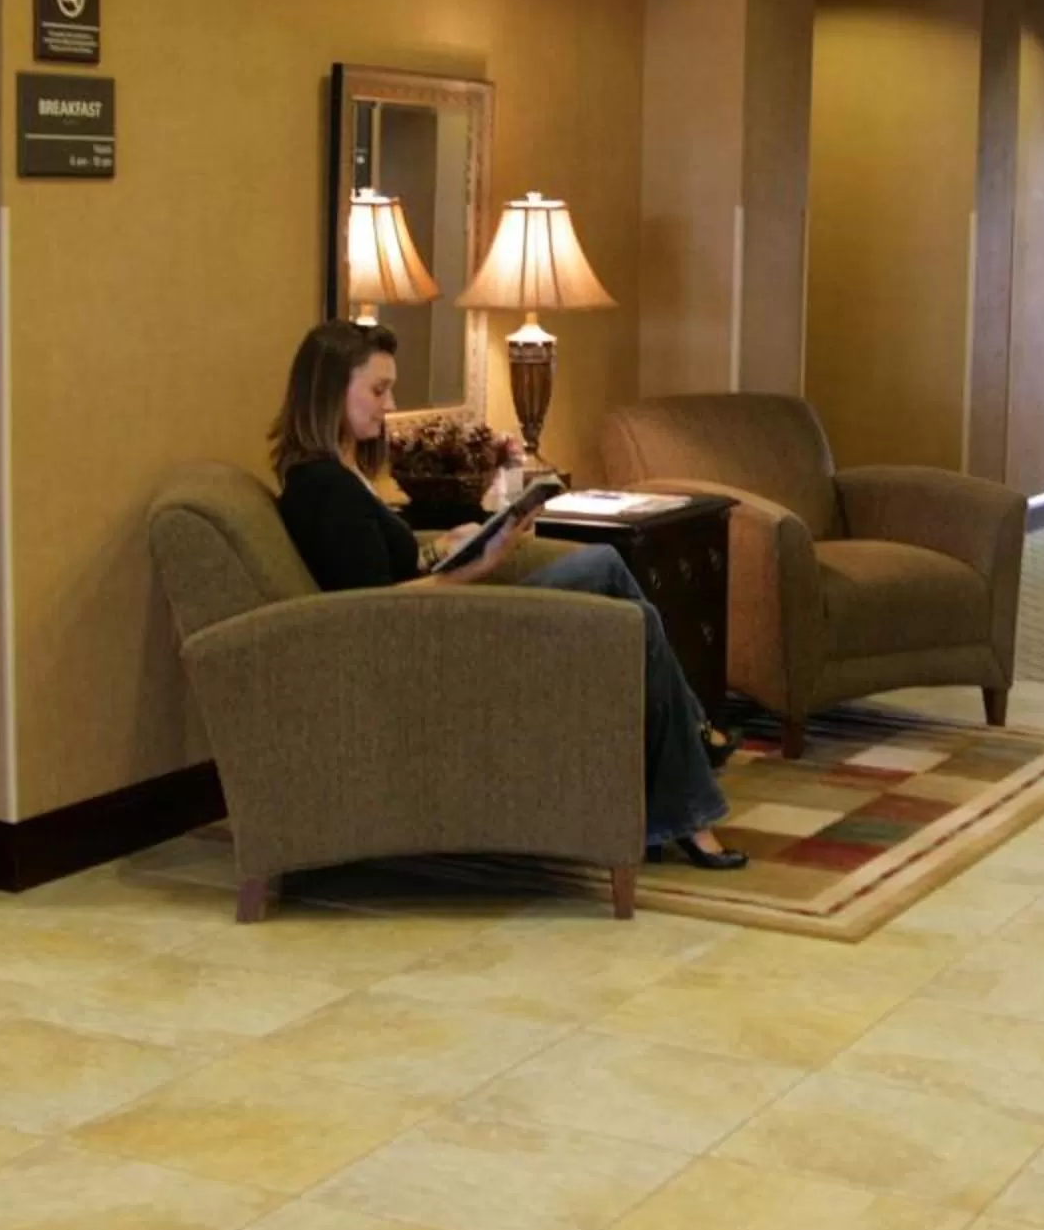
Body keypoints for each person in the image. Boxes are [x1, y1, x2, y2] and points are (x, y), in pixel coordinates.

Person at [269, 319, 742, 868]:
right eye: (378, 390)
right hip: (429, 650)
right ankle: (692, 763)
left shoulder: (341, 472)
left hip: (436, 628)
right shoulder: (321, 488)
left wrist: (443, 545)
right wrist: (479, 566)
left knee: (620, 590)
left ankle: (685, 791)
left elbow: (379, 570)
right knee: (615, 583)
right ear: (330, 389)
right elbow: (377, 611)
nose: (389, 403)